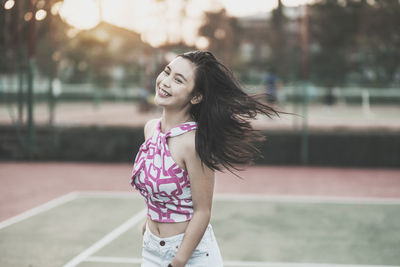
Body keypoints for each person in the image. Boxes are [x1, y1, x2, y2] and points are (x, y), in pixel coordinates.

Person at [131, 51, 279, 267]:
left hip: (190, 256)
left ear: (196, 96)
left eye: (178, 80)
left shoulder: (194, 143)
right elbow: (156, 191)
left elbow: (203, 212)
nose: (165, 82)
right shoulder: (151, 129)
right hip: (151, 248)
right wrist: (149, 226)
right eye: (167, 72)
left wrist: (177, 262)